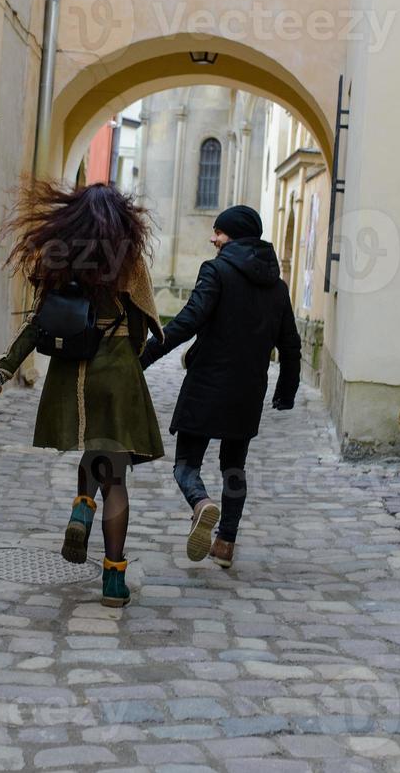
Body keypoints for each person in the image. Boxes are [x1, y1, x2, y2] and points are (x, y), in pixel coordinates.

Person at [0, 179, 165, 608]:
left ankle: (83, 506)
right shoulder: (129, 263)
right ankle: (113, 581)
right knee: (114, 473)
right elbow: (144, 328)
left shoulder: (59, 258)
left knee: (91, 449)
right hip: (117, 372)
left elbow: (39, 322)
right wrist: (125, 354)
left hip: (72, 373)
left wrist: (3, 368)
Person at [140, 204, 300, 568]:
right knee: (234, 466)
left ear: (234, 235)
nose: (213, 238)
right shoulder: (276, 286)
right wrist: (286, 392)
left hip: (207, 385)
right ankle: (226, 542)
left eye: (219, 233)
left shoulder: (216, 270)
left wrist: (145, 358)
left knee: (186, 466)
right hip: (248, 391)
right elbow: (290, 344)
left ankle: (201, 503)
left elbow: (188, 320)